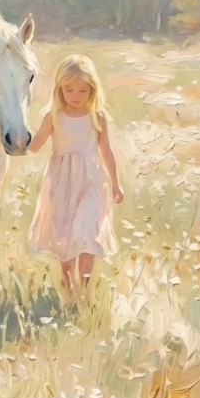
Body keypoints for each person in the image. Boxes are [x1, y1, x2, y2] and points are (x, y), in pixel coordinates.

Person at [26, 54, 123, 295]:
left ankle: (85, 289)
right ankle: (70, 289)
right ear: (59, 89)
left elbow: (106, 152)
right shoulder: (53, 116)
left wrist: (115, 185)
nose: (76, 96)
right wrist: (17, 136)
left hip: (91, 181)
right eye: (69, 90)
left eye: (83, 90)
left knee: (87, 234)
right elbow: (35, 144)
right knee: (65, 237)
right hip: (62, 185)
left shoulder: (97, 117)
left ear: (92, 90)